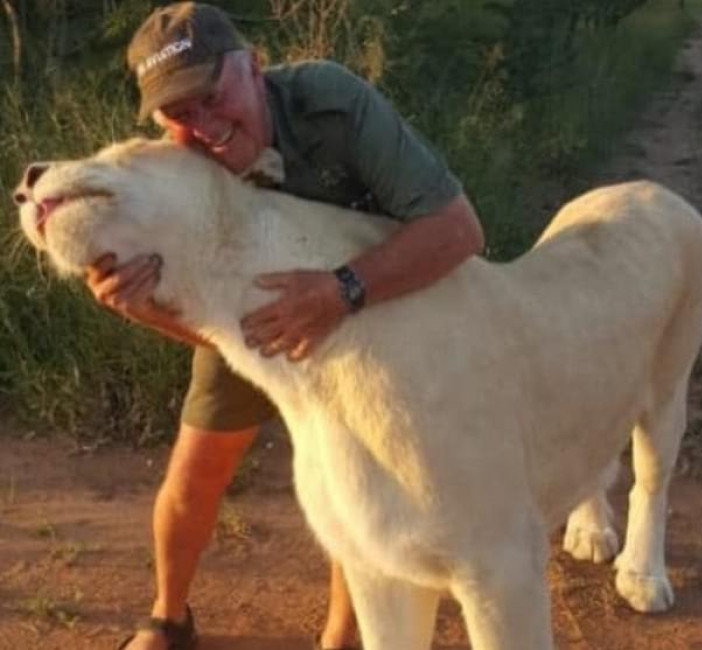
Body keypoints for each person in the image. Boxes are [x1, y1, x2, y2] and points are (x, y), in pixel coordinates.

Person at [91, 3, 485, 649]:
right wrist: (139, 305)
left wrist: (341, 291)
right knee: (197, 470)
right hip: (253, 322)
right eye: (179, 112)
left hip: (366, 307)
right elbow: (209, 324)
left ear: (254, 66)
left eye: (211, 96)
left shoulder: (330, 100)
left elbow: (459, 231)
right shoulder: (176, 169)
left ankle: (342, 633)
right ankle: (167, 618)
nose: (204, 124)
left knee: (359, 476)